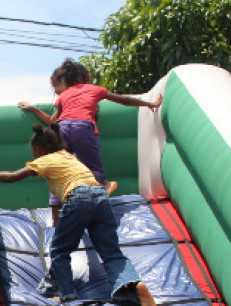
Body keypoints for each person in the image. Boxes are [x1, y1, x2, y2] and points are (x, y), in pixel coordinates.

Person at [0, 123, 158, 306]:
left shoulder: (46, 160)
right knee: (111, 253)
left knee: (60, 251)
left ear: (41, 150)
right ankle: (134, 284)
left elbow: (12, 177)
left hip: (78, 198)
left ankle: (66, 295)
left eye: (34, 152)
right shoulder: (69, 157)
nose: (35, 156)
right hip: (101, 197)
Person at [19, 59, 162, 225]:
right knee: (92, 169)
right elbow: (123, 99)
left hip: (62, 130)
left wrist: (34, 108)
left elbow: (52, 122)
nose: (56, 91)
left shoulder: (63, 96)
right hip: (83, 129)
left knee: (57, 172)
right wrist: (150, 103)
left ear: (64, 81)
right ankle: (102, 189)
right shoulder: (94, 89)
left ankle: (56, 222)